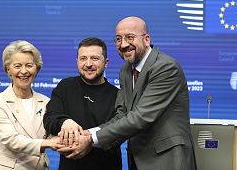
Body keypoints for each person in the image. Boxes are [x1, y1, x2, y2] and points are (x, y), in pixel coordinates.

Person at [58, 16, 197, 170]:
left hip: (167, 159)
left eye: (130, 37)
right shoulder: (126, 70)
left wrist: (91, 139)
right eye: (118, 39)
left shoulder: (165, 67)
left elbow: (141, 117)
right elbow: (122, 114)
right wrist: (86, 134)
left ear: (146, 39)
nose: (123, 44)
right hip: (138, 158)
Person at [43, 37, 122, 170]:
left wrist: (90, 142)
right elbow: (49, 118)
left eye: (95, 58)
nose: (88, 64)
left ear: (106, 62)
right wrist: (64, 122)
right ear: (77, 62)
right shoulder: (65, 86)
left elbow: (118, 132)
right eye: (83, 58)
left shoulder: (118, 95)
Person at [0, 40, 63, 170]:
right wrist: (48, 143)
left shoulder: (46, 101)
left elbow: (50, 134)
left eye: (29, 65)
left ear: (37, 68)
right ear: (8, 70)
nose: (24, 71)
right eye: (17, 66)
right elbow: (12, 140)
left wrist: (67, 138)